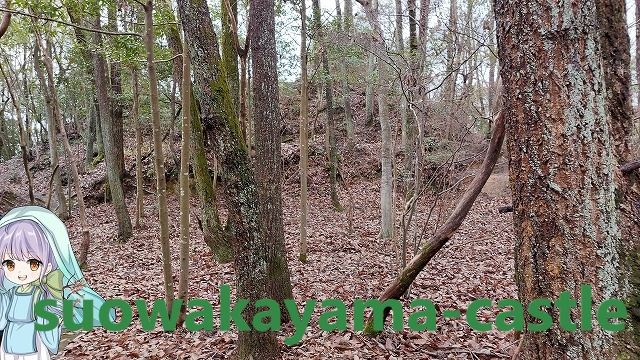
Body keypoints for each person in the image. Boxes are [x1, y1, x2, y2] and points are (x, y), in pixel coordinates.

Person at [0, 206, 114, 359]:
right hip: (9, 342)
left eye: (33, 264)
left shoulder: (41, 289)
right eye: (10, 265)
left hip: (32, 344)